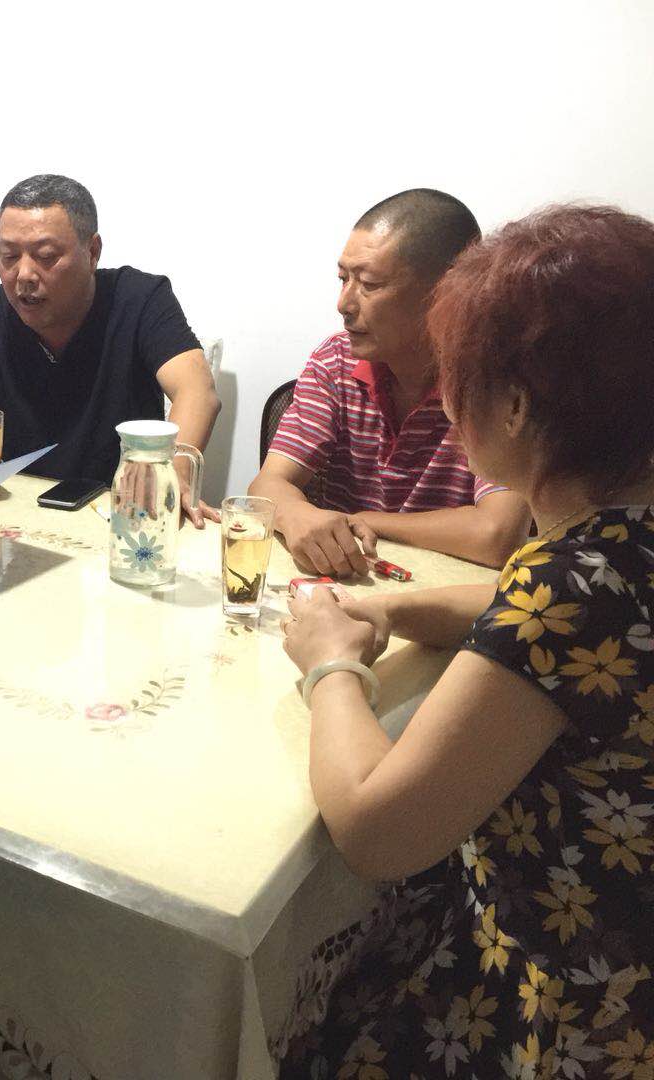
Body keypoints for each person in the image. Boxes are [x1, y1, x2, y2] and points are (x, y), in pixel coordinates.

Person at [278, 204, 654, 1076]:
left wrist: (331, 663)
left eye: (458, 378)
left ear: (514, 406)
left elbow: (375, 832)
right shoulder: (610, 548)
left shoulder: (566, 590)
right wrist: (400, 609)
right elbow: (522, 598)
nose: (448, 403)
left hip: (563, 1002)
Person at [0, 174, 223, 525]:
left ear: (92, 252)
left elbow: (197, 393)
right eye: (9, 256)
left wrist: (174, 471)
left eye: (46, 256)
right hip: (11, 520)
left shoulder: (138, 299)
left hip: (120, 514)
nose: (23, 274)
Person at [250, 189, 531, 576]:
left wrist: (366, 521)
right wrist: (296, 513)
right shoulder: (336, 360)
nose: (344, 304)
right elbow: (267, 485)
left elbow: (497, 534)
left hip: (452, 595)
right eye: (343, 279)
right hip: (349, 586)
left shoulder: (494, 382)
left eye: (368, 284)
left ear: (445, 291)